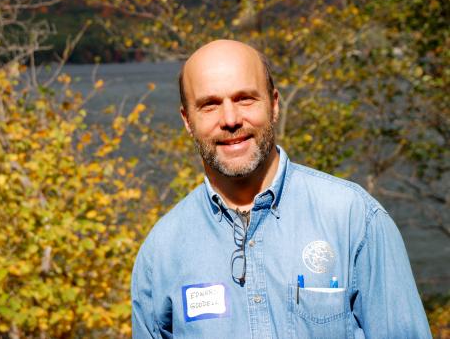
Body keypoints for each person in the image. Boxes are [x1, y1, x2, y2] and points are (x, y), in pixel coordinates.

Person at [131, 40, 431, 338]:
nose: (231, 120)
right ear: (187, 120)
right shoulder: (161, 252)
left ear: (274, 105)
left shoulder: (354, 219)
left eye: (245, 99)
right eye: (209, 105)